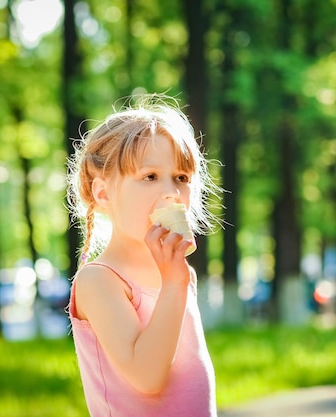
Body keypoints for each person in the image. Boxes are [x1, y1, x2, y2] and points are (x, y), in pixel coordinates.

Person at [66, 93, 221, 416]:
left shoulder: (178, 274)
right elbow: (148, 377)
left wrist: (176, 279)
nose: (171, 191)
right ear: (104, 193)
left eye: (181, 178)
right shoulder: (99, 280)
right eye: (149, 176)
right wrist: (174, 283)